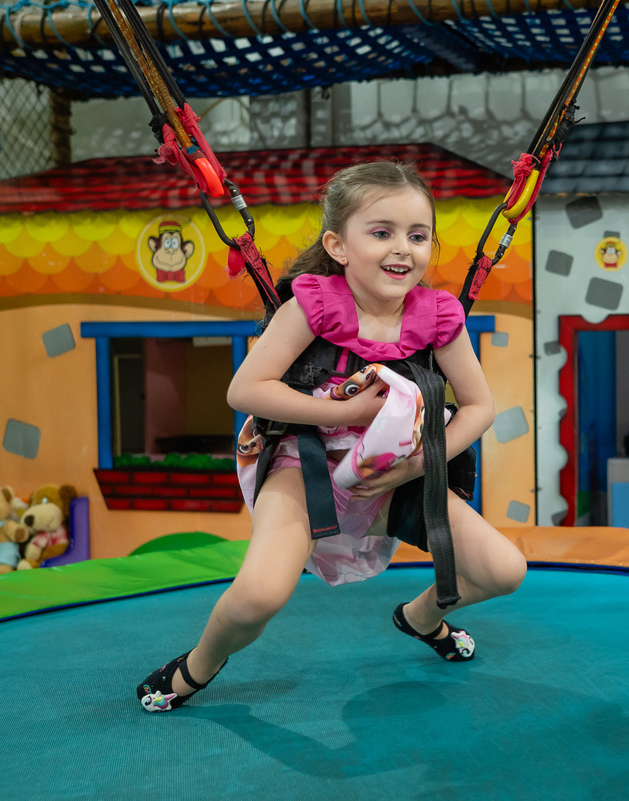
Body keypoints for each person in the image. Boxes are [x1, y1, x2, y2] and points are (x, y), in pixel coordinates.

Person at [136, 161, 526, 712]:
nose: (402, 249)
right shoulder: (312, 306)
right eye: (381, 232)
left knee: (505, 571)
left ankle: (420, 617)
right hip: (305, 464)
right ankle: (198, 665)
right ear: (338, 246)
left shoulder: (438, 317)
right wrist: (343, 412)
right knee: (258, 597)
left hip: (393, 475)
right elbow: (245, 390)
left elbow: (480, 407)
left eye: (418, 237)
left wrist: (416, 467)